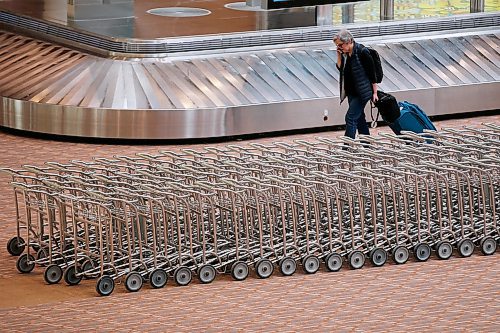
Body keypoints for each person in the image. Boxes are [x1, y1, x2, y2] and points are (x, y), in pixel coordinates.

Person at [334, 29, 378, 139]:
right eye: (337, 46)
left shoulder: (362, 52)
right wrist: (339, 55)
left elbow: (372, 74)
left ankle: (347, 148)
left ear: (349, 41)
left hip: (362, 92)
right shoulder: (345, 54)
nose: (339, 47)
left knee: (350, 118)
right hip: (351, 92)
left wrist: (375, 92)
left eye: (340, 45)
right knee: (359, 118)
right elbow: (341, 69)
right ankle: (366, 145)